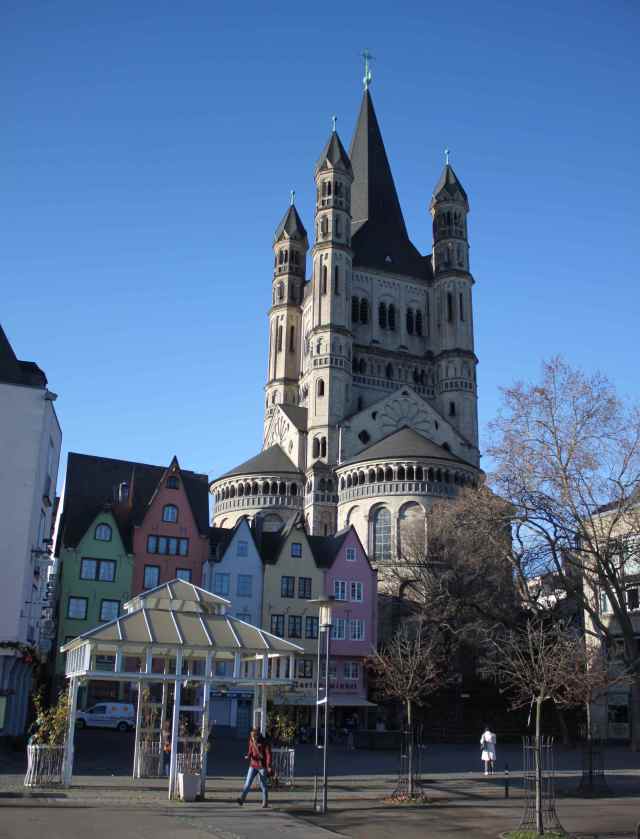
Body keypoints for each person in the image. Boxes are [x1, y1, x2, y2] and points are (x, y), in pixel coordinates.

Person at [237, 728, 272, 808]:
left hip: (262, 766)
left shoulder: (264, 742)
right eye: (251, 736)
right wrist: (248, 755)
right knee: (248, 782)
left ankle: (265, 802)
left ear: (258, 735)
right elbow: (250, 750)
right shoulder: (251, 740)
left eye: (254, 736)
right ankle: (241, 800)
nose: (252, 738)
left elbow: (268, 754)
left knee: (263, 784)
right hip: (253, 765)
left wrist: (269, 765)